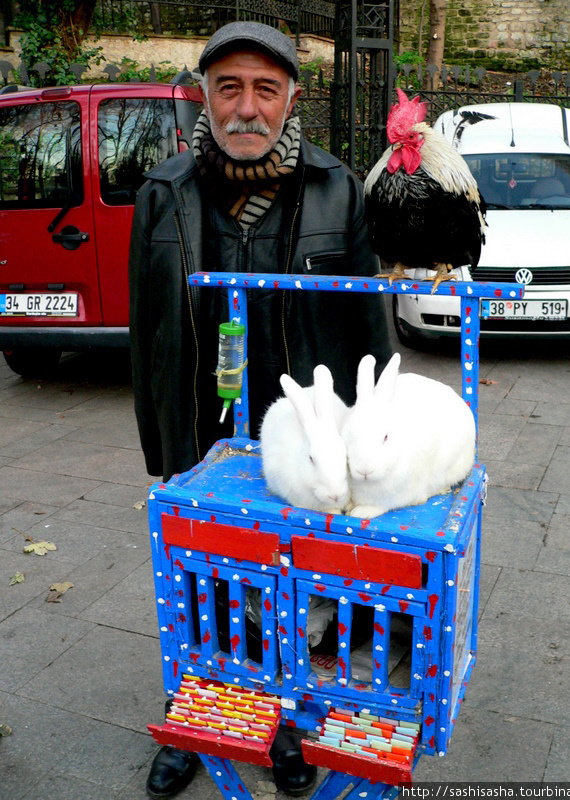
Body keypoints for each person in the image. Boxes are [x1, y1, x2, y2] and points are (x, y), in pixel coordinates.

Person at [129, 20, 393, 800]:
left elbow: (371, 335)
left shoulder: (337, 188)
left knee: (296, 584)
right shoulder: (164, 191)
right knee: (200, 582)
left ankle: (286, 721)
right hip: (203, 427)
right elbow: (148, 334)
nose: (247, 109)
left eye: (265, 90)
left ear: (291, 99)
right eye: (229, 88)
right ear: (205, 97)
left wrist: (362, 444)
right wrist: (162, 446)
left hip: (304, 436)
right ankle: (201, 712)